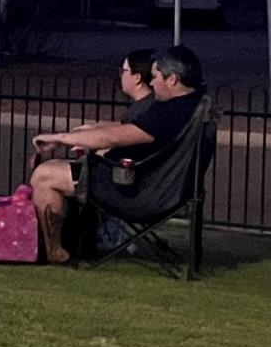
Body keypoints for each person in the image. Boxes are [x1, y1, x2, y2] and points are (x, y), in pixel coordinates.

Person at [28, 45, 207, 263]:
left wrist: (60, 138)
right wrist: (90, 132)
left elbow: (117, 137)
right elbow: (123, 131)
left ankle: (55, 252)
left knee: (45, 175)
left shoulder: (172, 111)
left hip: (136, 192)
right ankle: (70, 244)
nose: (152, 82)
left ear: (173, 79)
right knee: (60, 167)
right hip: (153, 186)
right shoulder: (191, 104)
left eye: (156, 76)